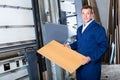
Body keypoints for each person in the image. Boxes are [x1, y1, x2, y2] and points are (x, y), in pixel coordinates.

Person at [65, 5, 108, 80]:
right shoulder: (79, 29)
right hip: (79, 65)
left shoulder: (98, 29)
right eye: (83, 13)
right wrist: (70, 46)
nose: (85, 16)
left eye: (87, 13)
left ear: (92, 14)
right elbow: (79, 42)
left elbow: (103, 46)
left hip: (91, 67)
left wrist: (91, 57)